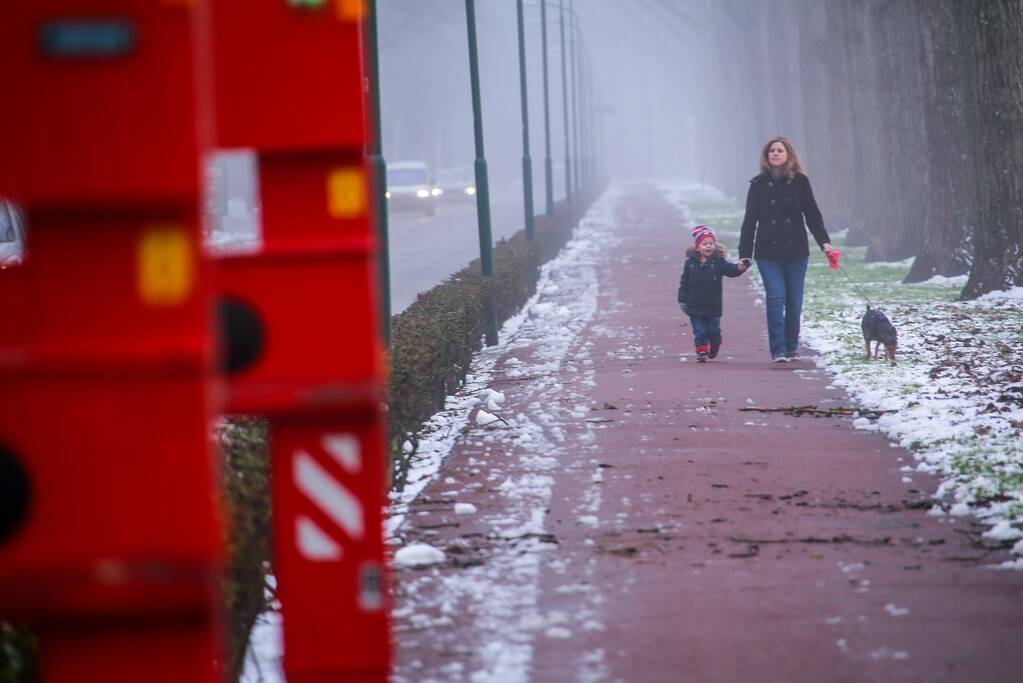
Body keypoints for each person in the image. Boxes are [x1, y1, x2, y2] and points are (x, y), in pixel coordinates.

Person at [738, 137, 833, 362]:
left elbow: (812, 214)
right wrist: (745, 254)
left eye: (780, 150)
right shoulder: (758, 184)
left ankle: (791, 346)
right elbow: (749, 221)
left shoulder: (800, 182)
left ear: (788, 155)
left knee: (794, 301)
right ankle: (778, 349)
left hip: (796, 251)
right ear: (766, 156)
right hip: (767, 252)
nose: (775, 154)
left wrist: (824, 242)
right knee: (776, 298)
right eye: (772, 150)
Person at [677, 225, 748, 362]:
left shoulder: (718, 262)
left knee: (713, 331)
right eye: (705, 244)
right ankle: (702, 351)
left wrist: (740, 268)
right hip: (694, 305)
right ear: (697, 247)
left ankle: (715, 344)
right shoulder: (690, 264)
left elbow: (730, 270)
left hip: (713, 305)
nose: (708, 246)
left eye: (711, 243)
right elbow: (684, 283)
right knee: (699, 331)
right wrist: (682, 299)